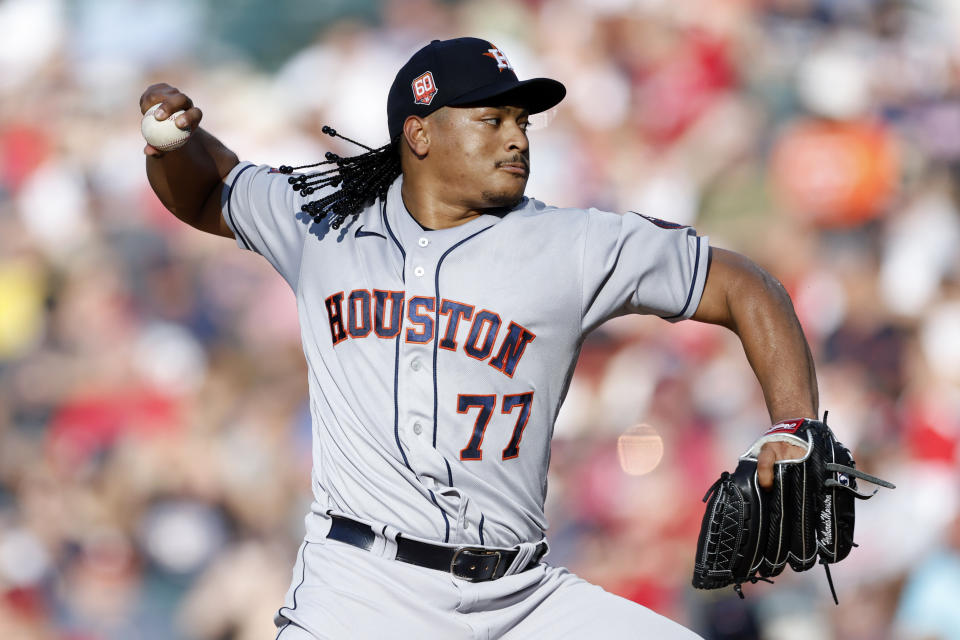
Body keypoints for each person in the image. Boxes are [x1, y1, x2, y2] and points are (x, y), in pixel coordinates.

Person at [141, 37, 815, 639]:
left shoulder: (570, 244)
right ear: (421, 135)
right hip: (363, 594)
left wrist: (795, 423)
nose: (517, 138)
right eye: (491, 119)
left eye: (521, 121)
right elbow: (210, 192)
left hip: (519, 596)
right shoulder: (325, 223)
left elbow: (744, 286)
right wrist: (167, 144)